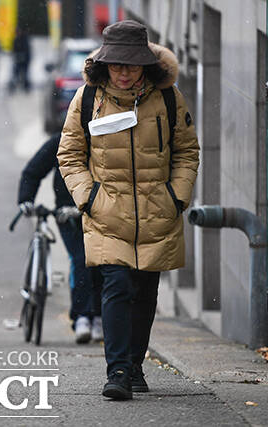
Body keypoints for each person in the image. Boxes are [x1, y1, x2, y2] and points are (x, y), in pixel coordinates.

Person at [57, 20, 199, 400]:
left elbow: (187, 151)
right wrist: (89, 198)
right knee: (116, 285)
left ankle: (135, 364)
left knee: (145, 291)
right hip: (107, 212)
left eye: (131, 65)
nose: (123, 72)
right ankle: (117, 370)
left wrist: (176, 197)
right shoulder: (87, 98)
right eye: (117, 65)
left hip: (157, 212)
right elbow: (70, 155)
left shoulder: (168, 98)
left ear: (144, 64)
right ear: (105, 63)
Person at [17, 134, 102, 344]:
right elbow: (33, 171)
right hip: (67, 213)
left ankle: (99, 316)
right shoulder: (61, 141)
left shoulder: (106, 140)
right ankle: (82, 316)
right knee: (82, 259)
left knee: (103, 262)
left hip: (101, 211)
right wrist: (25, 199)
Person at [11, 27, 31, 93]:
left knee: (25, 74)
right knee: (16, 74)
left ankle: (25, 87)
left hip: (25, 60)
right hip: (18, 60)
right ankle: (14, 86)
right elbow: (14, 50)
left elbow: (27, 51)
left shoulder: (24, 40)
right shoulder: (16, 40)